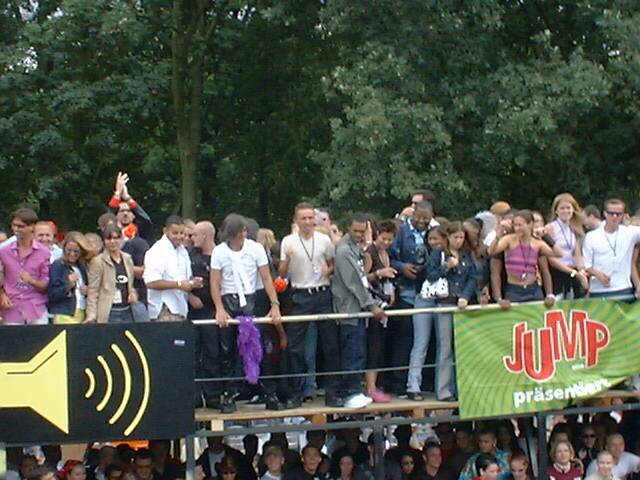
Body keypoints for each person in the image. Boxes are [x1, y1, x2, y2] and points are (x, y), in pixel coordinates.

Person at [210, 213, 282, 413]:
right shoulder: (219, 252)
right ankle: (229, 392)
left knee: (258, 346)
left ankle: (269, 391)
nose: (242, 235)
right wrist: (219, 308)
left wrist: (274, 304)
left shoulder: (255, 249)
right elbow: (215, 282)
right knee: (228, 350)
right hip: (229, 299)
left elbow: (266, 278)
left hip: (252, 300)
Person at [279, 203, 341, 406]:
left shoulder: (323, 240)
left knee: (330, 345)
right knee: (295, 347)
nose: (307, 222)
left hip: (322, 293)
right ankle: (295, 393)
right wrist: (287, 260)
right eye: (303, 218)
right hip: (300, 294)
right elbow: (281, 273)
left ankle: (332, 392)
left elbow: (333, 264)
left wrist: (327, 271)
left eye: (310, 218)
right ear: (296, 221)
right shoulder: (288, 241)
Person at [413, 221, 476, 401]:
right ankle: (444, 390)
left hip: (461, 304)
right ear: (448, 237)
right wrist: (446, 267)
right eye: (456, 237)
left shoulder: (466, 255)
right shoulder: (438, 253)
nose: (459, 241)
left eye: (462, 237)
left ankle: (461, 387)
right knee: (445, 348)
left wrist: (466, 296)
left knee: (461, 347)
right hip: (444, 303)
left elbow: (472, 278)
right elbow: (430, 276)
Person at [332, 212, 386, 408]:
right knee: (353, 351)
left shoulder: (357, 248)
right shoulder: (344, 251)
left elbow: (364, 272)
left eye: (363, 231)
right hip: (349, 308)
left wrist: (367, 244)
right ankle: (350, 392)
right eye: (356, 231)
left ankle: (354, 390)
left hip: (357, 307)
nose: (359, 235)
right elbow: (355, 283)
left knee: (358, 350)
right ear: (348, 228)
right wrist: (372, 306)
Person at [388, 200, 439, 395]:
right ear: (413, 214)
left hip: (428, 290)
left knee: (428, 339)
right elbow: (388, 256)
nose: (422, 222)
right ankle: (399, 382)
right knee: (405, 336)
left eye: (426, 219)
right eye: (419, 218)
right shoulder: (401, 232)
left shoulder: (434, 232)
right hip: (406, 290)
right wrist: (402, 267)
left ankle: (426, 381)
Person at [488, 209, 560, 304]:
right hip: (514, 290)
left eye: (520, 225)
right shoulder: (508, 240)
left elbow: (557, 254)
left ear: (530, 224)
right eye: (515, 225)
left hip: (533, 289)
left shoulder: (537, 243)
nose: (517, 228)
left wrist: (546, 236)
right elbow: (491, 251)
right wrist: (498, 235)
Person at [187, 221, 221, 408]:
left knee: (213, 353)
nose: (191, 238)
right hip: (193, 310)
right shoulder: (189, 255)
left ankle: (213, 394)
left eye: (195, 235)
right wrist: (189, 296)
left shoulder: (221, 254)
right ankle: (194, 395)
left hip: (213, 310)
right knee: (193, 352)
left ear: (205, 235)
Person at [363, 219, 397, 402]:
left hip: (385, 302)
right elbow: (363, 278)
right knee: (373, 346)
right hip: (373, 304)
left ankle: (376, 384)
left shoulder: (387, 253)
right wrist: (378, 274)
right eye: (383, 239)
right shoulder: (370, 253)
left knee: (380, 345)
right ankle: (370, 387)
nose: (386, 242)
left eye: (390, 239)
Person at [0, 208, 50, 325]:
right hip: (11, 308)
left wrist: (31, 280)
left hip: (36, 308)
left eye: (21, 226)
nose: (16, 229)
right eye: (14, 225)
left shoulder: (44, 252)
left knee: (41, 336)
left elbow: (45, 284)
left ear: (32, 227)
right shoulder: (4, 251)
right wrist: (1, 294)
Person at [583, 198, 640, 299]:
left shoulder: (630, 232)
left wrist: (632, 222)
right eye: (611, 213)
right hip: (598, 290)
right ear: (605, 213)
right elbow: (586, 264)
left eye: (618, 214)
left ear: (623, 215)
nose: (615, 217)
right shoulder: (591, 236)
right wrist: (598, 274)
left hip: (623, 288)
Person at [144, 216, 197, 321]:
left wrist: (193, 283)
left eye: (182, 233)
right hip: (164, 309)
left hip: (181, 308)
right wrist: (179, 285)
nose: (179, 236)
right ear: (165, 231)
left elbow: (185, 278)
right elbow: (150, 282)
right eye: (175, 233)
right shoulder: (157, 251)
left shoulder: (183, 251)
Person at [85, 224, 138, 323]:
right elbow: (93, 290)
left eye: (116, 238)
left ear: (121, 239)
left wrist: (133, 294)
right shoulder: (98, 261)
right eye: (109, 239)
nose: (112, 242)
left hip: (127, 310)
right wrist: (91, 315)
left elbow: (131, 284)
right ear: (104, 241)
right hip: (109, 311)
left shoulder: (127, 258)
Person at [545, 193, 589, 299]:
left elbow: (577, 253)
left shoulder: (574, 228)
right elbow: (550, 258)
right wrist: (572, 272)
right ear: (556, 211)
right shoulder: (550, 228)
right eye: (562, 208)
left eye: (568, 208)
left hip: (573, 271)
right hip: (558, 272)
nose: (565, 211)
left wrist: (581, 270)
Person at [48, 231, 95, 324]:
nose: (72, 254)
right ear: (64, 248)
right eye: (69, 250)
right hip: (64, 313)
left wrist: (86, 290)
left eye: (76, 251)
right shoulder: (58, 265)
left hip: (81, 311)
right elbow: (52, 294)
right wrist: (68, 285)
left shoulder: (81, 267)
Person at [107, 172, 153, 241]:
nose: (125, 213)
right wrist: (118, 193)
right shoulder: (110, 233)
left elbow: (146, 220)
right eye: (121, 211)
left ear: (134, 215)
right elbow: (107, 219)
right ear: (116, 215)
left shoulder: (139, 231)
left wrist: (127, 197)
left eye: (128, 211)